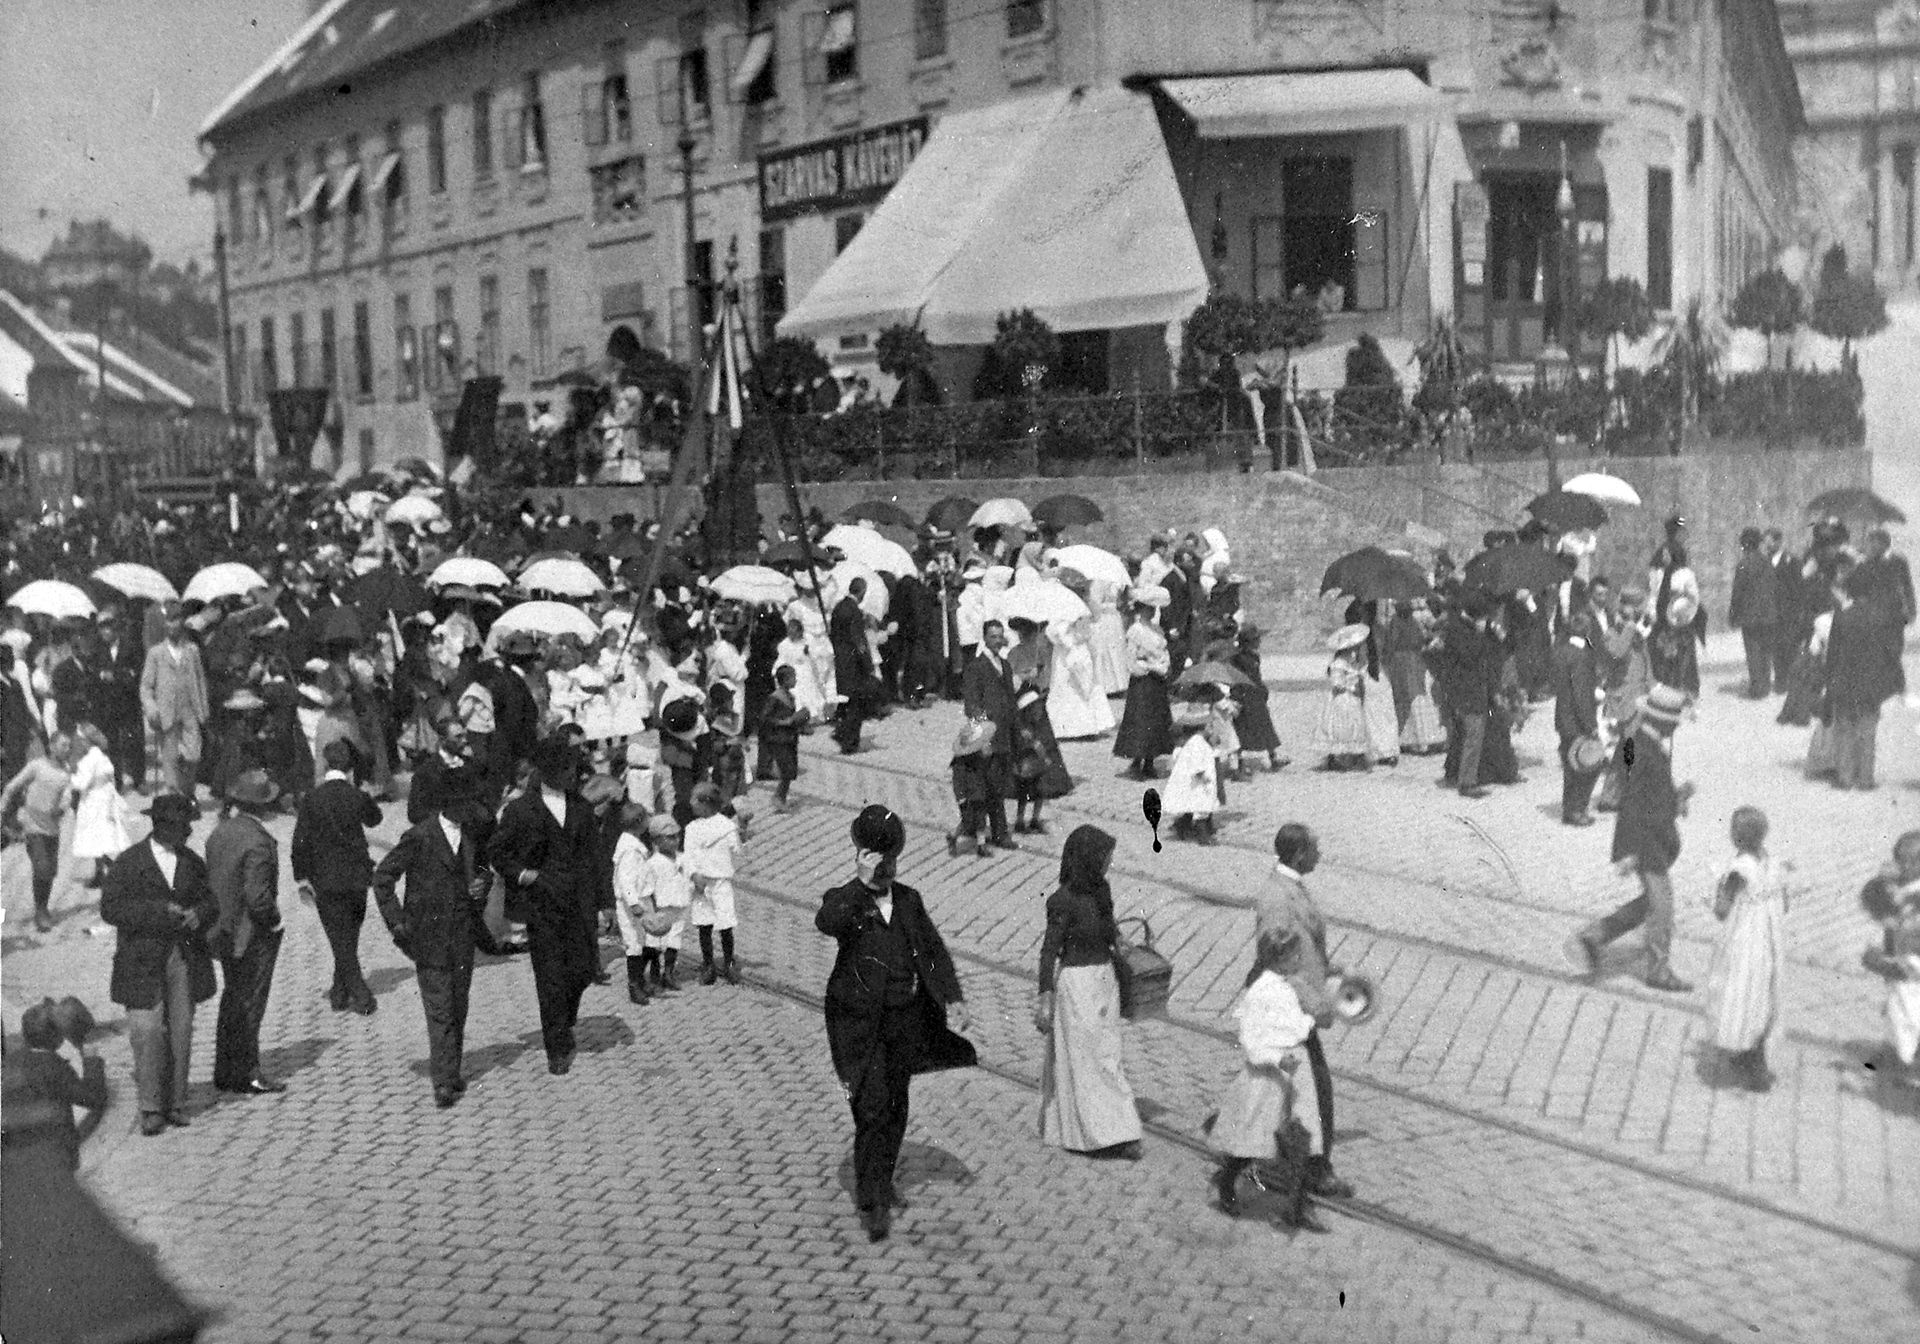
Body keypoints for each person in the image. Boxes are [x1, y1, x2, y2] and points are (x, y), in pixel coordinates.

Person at [816, 805, 975, 1242]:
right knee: (870, 1108)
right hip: (858, 1025)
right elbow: (827, 921)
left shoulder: (908, 900)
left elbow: (932, 950)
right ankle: (872, 1203)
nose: (886, 872)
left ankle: (882, 1181)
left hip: (903, 1021)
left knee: (895, 1106)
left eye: (891, 864)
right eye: (878, 865)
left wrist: (954, 997)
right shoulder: (845, 898)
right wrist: (861, 884)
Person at [102, 793, 219, 1134]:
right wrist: (157, 912)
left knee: (181, 1029)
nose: (187, 834)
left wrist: (199, 914)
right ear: (161, 827)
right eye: (182, 828)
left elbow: (210, 900)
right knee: (147, 1030)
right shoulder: (129, 862)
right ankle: (151, 1107)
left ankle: (177, 1103)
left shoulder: (191, 862)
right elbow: (110, 909)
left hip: (183, 955)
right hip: (141, 960)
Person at [372, 797, 495, 1107]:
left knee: (458, 1005)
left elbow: (485, 870)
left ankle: (451, 1072)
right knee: (440, 1009)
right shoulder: (420, 836)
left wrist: (482, 884)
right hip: (428, 937)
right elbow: (383, 877)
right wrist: (397, 922)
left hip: (463, 935)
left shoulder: (472, 834)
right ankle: (443, 1082)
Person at [1571, 685, 1694, 992]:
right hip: (1645, 841)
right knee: (1662, 906)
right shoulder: (1639, 748)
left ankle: (1595, 936)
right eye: (1675, 721)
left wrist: (1675, 797)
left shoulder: (1639, 743)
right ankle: (1658, 970)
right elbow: (1631, 800)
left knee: (1650, 903)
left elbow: (1645, 789)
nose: (1678, 726)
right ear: (1663, 721)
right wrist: (1628, 850)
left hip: (1652, 837)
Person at [1204, 928, 1328, 1233]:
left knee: (1301, 1141)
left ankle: (1297, 1207)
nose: (1299, 959)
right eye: (1295, 955)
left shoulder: (1289, 986)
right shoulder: (1260, 992)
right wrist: (1275, 1058)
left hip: (1296, 1071)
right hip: (1269, 1077)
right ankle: (1227, 1182)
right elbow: (1251, 1042)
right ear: (1280, 958)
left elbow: (1295, 1025)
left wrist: (1312, 1017)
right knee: (1253, 1142)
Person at [489, 737, 600, 1074]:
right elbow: (497, 853)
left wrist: (606, 904)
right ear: (550, 772)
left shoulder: (581, 807)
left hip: (579, 902)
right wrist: (525, 875)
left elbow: (596, 859)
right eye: (567, 770)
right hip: (542, 905)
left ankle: (563, 1018)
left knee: (583, 969)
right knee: (550, 977)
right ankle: (557, 1046)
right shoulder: (520, 810)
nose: (573, 775)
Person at [1034, 825, 1142, 1159]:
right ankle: (1100, 1134)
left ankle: (1117, 1129)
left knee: (1108, 1056)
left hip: (1104, 982)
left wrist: (1120, 940)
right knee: (1087, 1061)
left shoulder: (1101, 890)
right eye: (1105, 857)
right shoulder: (1062, 902)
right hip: (1077, 986)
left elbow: (1109, 927)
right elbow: (1049, 951)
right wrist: (1045, 996)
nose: (1109, 863)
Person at [206, 768, 288, 1095]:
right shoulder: (258, 841)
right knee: (251, 1003)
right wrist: (274, 919)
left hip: (224, 931)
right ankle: (248, 1072)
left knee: (232, 998)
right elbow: (258, 898)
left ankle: (225, 1070)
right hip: (251, 934)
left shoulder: (220, 832)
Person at [292, 739, 385, 1015]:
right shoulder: (356, 796)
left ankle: (358, 994)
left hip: (325, 878)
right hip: (357, 876)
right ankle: (340, 991)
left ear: (325, 764)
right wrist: (364, 793)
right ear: (350, 767)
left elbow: (300, 841)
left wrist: (301, 876)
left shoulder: (312, 798)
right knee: (349, 935)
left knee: (339, 937)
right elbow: (375, 819)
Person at [1705, 807, 1790, 1092]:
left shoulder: (1738, 870)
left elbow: (1721, 910)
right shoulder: (1774, 864)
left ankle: (1746, 1053)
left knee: (1737, 991)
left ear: (1736, 837)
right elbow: (1785, 904)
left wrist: (1718, 889)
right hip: (1769, 941)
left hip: (1743, 941)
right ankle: (1758, 1053)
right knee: (1763, 995)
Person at [1824, 568, 1902, 791]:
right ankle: (1866, 778)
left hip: (1845, 681)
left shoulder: (1842, 617)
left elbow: (1833, 654)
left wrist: (1829, 681)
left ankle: (1845, 777)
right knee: (1867, 731)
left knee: (1845, 728)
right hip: (1871, 683)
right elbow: (1891, 652)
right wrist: (1895, 682)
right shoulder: (1881, 617)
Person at [11, 999, 109, 1168]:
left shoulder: (12, 1061)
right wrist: (91, 1061)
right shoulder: (54, 1068)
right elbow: (93, 1098)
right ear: (57, 1038)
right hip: (53, 1153)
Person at [1860, 835, 1920, 1088]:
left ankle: (1909, 1065)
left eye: (1907, 862)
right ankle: (1896, 1052)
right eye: (1898, 860)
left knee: (1908, 1014)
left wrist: (1880, 964)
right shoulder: (1901, 885)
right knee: (1896, 1008)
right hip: (1902, 960)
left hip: (1912, 968)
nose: (1900, 867)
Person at [2, 732, 75, 932]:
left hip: (52, 827)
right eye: (63, 745)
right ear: (51, 746)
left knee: (50, 871)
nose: (67, 749)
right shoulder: (37, 766)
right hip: (32, 825)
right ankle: (41, 911)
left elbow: (67, 796)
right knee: (42, 867)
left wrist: (62, 808)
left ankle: (43, 906)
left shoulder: (65, 772)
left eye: (69, 746)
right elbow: (12, 786)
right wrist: (2, 809)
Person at [140, 604, 210, 798]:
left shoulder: (192, 650)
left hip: (190, 711)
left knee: (193, 755)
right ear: (165, 624)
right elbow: (145, 687)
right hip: (166, 713)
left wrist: (204, 710)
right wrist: (151, 709)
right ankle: (174, 797)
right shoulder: (156, 653)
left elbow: (200, 681)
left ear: (182, 623)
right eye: (169, 621)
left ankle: (188, 792)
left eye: (176, 620)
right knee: (169, 758)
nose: (172, 625)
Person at [961, 620, 1018, 850]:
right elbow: (972, 705)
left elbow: (1011, 700)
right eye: (993, 637)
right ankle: (996, 833)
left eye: (1000, 636)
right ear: (984, 638)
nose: (997, 641)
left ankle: (991, 830)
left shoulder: (1005, 665)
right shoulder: (976, 667)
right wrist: (982, 738)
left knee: (999, 785)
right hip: (988, 735)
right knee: (988, 786)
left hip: (1004, 734)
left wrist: (1017, 729)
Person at [683, 782, 745, 986]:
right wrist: (693, 874)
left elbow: (689, 855)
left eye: (694, 800)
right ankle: (713, 963)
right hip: (708, 882)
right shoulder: (723, 827)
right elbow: (689, 856)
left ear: (705, 804)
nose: (691, 804)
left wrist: (695, 873)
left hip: (714, 881)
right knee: (711, 924)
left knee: (716, 924)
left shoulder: (698, 828)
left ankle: (722, 962)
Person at [1113, 596, 1173, 779]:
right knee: (1141, 719)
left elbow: (1164, 650)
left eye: (1153, 608)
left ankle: (1149, 762)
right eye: (1148, 608)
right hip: (1143, 680)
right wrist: (1144, 667)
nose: (1151, 611)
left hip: (1157, 679)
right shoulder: (1135, 630)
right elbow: (1130, 656)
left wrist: (1164, 664)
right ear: (1140, 609)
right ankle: (1136, 762)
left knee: (1156, 719)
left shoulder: (1157, 629)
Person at [1552, 612, 1603, 827]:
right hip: (1577, 721)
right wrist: (1591, 726)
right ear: (1587, 631)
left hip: (1563, 718)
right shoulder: (1581, 657)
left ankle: (1569, 809)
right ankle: (1577, 810)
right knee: (1587, 766)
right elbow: (1581, 695)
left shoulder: (1560, 651)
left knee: (1569, 765)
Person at [636, 814, 691, 993]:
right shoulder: (653, 864)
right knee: (653, 944)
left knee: (674, 940)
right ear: (657, 841)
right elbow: (646, 890)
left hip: (680, 905)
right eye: (670, 837)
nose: (675, 841)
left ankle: (668, 973)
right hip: (662, 909)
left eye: (677, 836)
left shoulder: (683, 858)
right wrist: (650, 910)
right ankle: (640, 976)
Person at [1309, 626, 1372, 771]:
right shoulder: (1339, 663)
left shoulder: (1352, 662)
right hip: (1343, 698)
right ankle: (1336, 757)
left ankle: (1355, 755)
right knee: (1340, 725)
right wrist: (1352, 688)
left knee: (1355, 725)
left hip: (1352, 699)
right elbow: (1337, 683)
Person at [1728, 528, 1780, 699]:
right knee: (1765, 651)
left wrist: (1733, 614)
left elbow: (1737, 592)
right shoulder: (1767, 562)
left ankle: (1757, 687)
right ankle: (1765, 684)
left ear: (1744, 544)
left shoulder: (1744, 564)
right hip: (1768, 614)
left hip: (1750, 615)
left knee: (1753, 651)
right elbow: (1774, 587)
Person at [1045, 616, 1114, 741]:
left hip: (1080, 652)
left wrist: (1079, 633)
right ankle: (1065, 729)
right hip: (1064, 654)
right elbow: (1052, 634)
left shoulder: (1080, 614)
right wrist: (1065, 635)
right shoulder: (1057, 619)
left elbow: (1088, 632)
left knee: (1086, 685)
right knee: (1066, 686)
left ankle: (1088, 727)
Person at [829, 578, 877, 754]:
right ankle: (848, 739)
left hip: (841, 660)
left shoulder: (839, 607)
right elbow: (859, 640)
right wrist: (868, 664)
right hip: (854, 663)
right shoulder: (854, 611)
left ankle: (842, 731)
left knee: (849, 700)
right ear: (862, 591)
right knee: (857, 703)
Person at [756, 664, 806, 811]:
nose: (795, 680)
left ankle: (781, 797)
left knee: (790, 770)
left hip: (789, 737)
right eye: (793, 677)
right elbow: (764, 718)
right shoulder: (775, 698)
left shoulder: (790, 696)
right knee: (786, 769)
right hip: (778, 739)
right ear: (785, 680)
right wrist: (782, 722)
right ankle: (779, 797)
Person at [1164, 716, 1220, 845]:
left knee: (1192, 806)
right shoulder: (1197, 743)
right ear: (1203, 728)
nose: (1212, 730)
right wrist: (1202, 776)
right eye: (1210, 727)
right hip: (1198, 782)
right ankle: (1203, 837)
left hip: (1197, 781)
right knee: (1201, 808)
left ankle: (1181, 827)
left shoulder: (1199, 742)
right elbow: (1196, 763)